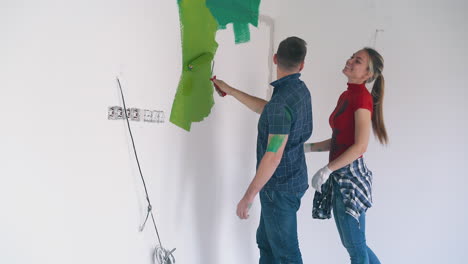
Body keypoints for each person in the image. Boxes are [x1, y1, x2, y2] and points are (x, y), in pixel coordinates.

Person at [213, 36, 312, 263]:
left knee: (286, 254)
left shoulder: (281, 104)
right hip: (292, 181)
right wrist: (230, 90)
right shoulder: (298, 90)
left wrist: (248, 196)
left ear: (275, 58)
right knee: (266, 244)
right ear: (302, 65)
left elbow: (273, 156)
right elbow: (269, 111)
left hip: (279, 188)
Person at [305, 47, 386, 264]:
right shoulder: (347, 95)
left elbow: (360, 146)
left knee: (356, 249)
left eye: (357, 61)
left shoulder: (361, 98)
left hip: (350, 179)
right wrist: (306, 148)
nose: (350, 60)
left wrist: (327, 169)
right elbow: (340, 140)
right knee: (356, 245)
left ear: (367, 74)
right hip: (341, 176)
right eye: (352, 56)